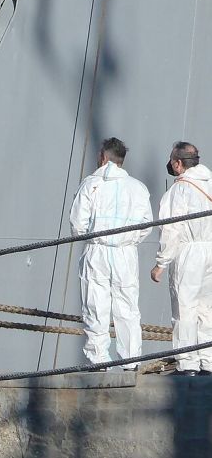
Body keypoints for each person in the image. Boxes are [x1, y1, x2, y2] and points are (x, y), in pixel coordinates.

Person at [69, 137, 152, 371]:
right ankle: (131, 361)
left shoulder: (91, 184)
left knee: (96, 305)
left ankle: (98, 360)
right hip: (125, 253)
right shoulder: (138, 188)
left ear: (103, 158)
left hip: (97, 250)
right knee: (127, 308)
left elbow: (77, 224)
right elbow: (147, 224)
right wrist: (128, 240)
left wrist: (95, 237)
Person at [151, 141, 212, 376]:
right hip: (210, 250)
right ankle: (208, 361)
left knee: (184, 309)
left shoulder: (180, 189)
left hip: (190, 252)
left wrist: (161, 263)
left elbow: (171, 229)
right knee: (206, 309)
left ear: (178, 163)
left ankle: (187, 363)